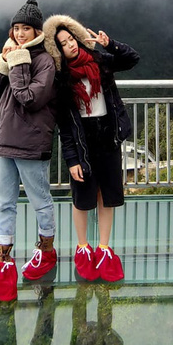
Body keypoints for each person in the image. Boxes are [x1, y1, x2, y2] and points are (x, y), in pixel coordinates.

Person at [43, 15, 139, 282]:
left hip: (107, 135)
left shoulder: (99, 61)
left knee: (106, 194)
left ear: (77, 38)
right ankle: (83, 247)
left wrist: (110, 44)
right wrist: (72, 159)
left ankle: (104, 248)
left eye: (71, 39)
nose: (70, 45)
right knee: (82, 196)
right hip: (82, 139)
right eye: (63, 43)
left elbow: (132, 59)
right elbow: (64, 125)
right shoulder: (61, 79)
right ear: (57, 49)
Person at [0, 0, 58, 302]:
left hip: (30, 143)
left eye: (26, 28)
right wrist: (3, 63)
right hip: (3, 143)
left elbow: (29, 98)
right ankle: (5, 261)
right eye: (16, 28)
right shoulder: (15, 53)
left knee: (40, 200)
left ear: (37, 30)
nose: (20, 33)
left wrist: (17, 64)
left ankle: (47, 252)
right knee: (4, 203)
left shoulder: (45, 62)